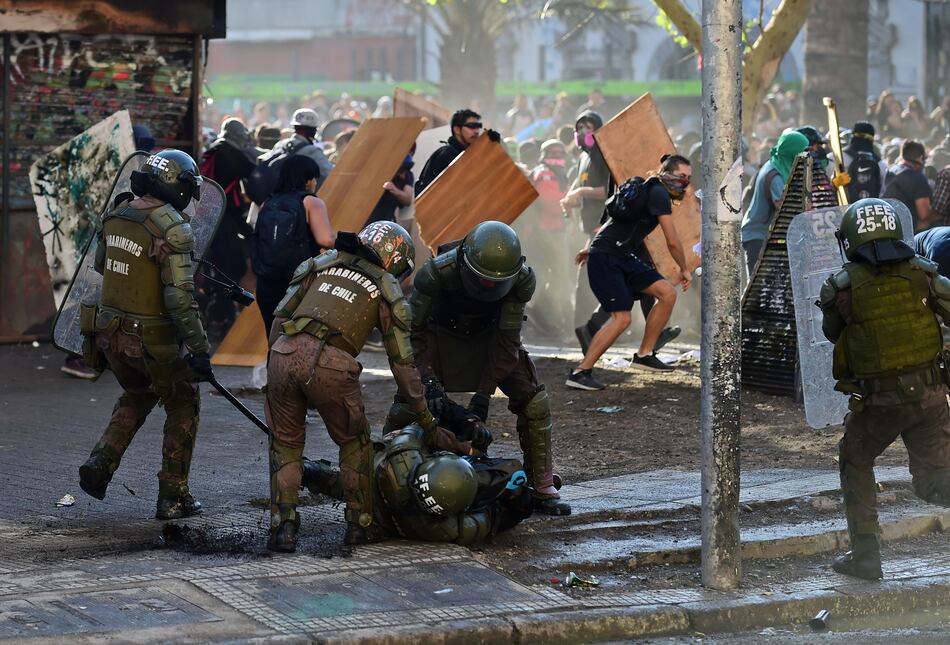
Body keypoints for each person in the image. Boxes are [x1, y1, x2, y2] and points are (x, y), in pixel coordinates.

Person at [263, 221, 439, 551]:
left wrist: (275, 366)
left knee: (285, 444)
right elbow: (401, 365)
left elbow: (280, 317)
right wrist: (425, 417)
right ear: (397, 260)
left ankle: (282, 528)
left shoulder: (320, 263)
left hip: (283, 353)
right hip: (333, 364)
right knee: (355, 444)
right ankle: (360, 526)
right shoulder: (387, 287)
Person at [385, 221, 571, 517]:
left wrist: (484, 394)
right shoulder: (435, 272)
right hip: (438, 335)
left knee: (535, 401)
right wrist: (429, 381)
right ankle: (386, 474)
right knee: (410, 402)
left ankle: (541, 485)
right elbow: (412, 332)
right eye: (483, 280)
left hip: (489, 337)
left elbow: (507, 342)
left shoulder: (522, 281)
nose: (489, 287)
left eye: (497, 284)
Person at [816, 197, 950, 580]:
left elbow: (832, 333)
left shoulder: (842, 287)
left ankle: (866, 557)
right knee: (934, 481)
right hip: (929, 396)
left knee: (855, 461)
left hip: (879, 401)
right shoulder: (923, 274)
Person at [77, 150, 212, 520]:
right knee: (184, 402)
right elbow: (180, 299)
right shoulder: (173, 227)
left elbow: (104, 265)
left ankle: (100, 463)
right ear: (175, 185)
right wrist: (200, 349)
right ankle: (173, 496)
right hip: (151, 340)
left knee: (137, 394)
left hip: (109, 335)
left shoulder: (117, 214)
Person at [567, 155, 693, 390]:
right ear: (666, 173)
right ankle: (580, 372)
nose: (684, 182)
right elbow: (672, 240)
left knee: (666, 293)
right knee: (622, 318)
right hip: (608, 258)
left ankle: (644, 355)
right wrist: (684, 269)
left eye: (688, 178)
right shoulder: (659, 193)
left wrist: (590, 245)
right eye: (681, 177)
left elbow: (614, 221)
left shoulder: (647, 188)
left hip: (620, 255)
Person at [301, 423, 533, 545]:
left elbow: (418, 424)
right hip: (384, 516)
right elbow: (487, 520)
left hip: (373, 492)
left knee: (342, 482)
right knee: (514, 487)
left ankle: (307, 471)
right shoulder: (446, 529)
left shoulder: (404, 456)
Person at [252, 155, 335, 336]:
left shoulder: (268, 202)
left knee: (273, 335)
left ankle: (273, 365)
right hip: (299, 281)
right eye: (314, 178)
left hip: (266, 281)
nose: (315, 183)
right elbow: (326, 240)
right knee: (298, 337)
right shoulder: (311, 202)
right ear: (307, 180)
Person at [197, 119, 259, 338]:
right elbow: (255, 171)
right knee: (232, 269)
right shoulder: (233, 154)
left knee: (215, 268)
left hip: (209, 216)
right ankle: (220, 315)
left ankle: (215, 312)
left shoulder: (212, 150)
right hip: (224, 219)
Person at [560, 111, 610, 328]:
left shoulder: (602, 155)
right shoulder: (583, 156)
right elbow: (578, 183)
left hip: (603, 226)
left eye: (588, 128)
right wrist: (569, 197)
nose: (583, 132)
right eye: (579, 128)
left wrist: (579, 193)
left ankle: (583, 328)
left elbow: (607, 190)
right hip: (590, 228)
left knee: (587, 280)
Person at [741, 130, 810, 277]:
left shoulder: (777, 164)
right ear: (792, 152)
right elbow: (785, 208)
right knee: (757, 290)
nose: (805, 156)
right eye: (802, 152)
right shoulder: (775, 176)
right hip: (757, 236)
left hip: (766, 235)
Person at [414, 109, 482, 194]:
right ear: (457, 129)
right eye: (471, 126)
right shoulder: (448, 154)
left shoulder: (463, 154)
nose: (476, 131)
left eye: (479, 126)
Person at [883, 140, 937, 231]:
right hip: (909, 232)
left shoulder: (890, 171)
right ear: (920, 157)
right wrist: (941, 214)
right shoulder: (917, 177)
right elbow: (924, 215)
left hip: (888, 226)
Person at [840, 121, 887, 202]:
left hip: (844, 210)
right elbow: (883, 192)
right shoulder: (881, 164)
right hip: (872, 210)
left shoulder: (837, 158)